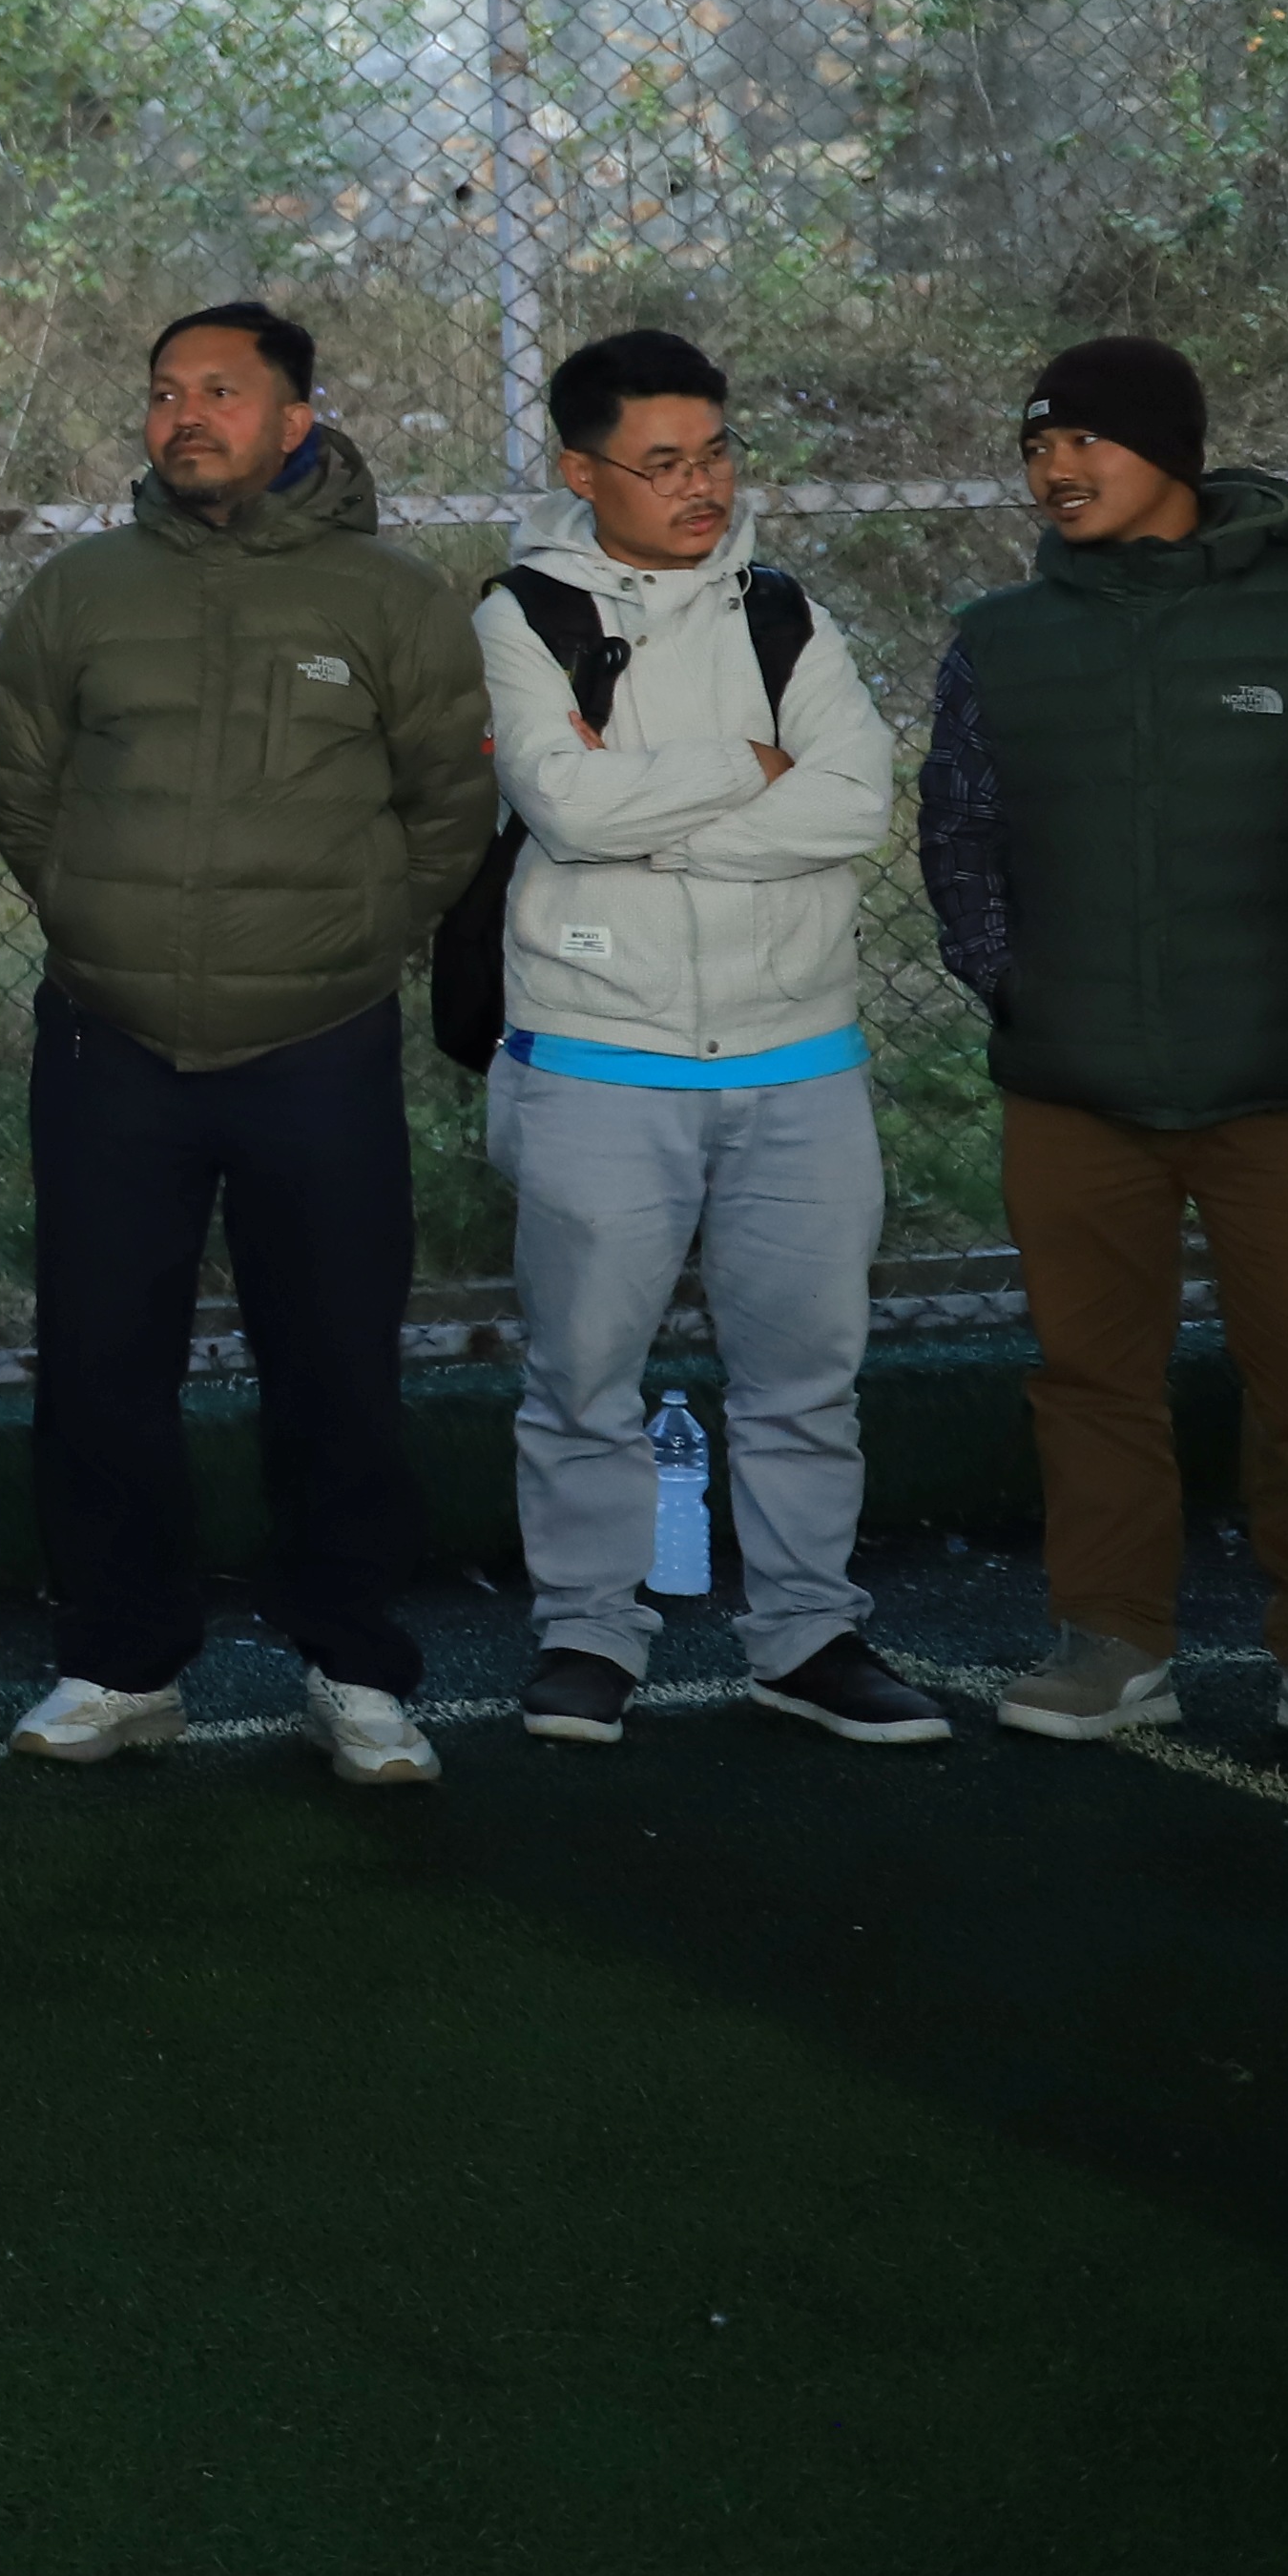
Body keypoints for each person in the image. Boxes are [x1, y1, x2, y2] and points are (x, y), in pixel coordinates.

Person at [0, 301, 498, 1787]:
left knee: (334, 1363)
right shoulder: (76, 593)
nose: (185, 415)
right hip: (110, 1040)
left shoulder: (392, 600)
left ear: (296, 419)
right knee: (99, 1364)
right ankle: (119, 1663)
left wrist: (351, 935)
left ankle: (354, 1667)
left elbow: (447, 810)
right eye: (162, 393)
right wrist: (93, 918)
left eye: (220, 390)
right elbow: (21, 790)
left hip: (318, 1042)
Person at [916, 336, 1288, 1774]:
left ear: (1170, 455)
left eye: (1085, 443)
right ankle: (1114, 1641)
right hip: (1072, 1085)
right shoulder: (1002, 634)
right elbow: (957, 829)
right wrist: (1014, 982)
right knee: (1089, 1377)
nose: (1054, 471)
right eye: (1035, 448)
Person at [476, 329, 949, 1753]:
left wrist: (654, 819)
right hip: (593, 1061)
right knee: (582, 1377)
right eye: (662, 463)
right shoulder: (525, 614)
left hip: (802, 1063)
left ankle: (807, 1632)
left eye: (717, 454)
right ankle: (587, 1633)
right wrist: (744, 775)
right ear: (582, 471)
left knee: (807, 1374)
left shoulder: (786, 614)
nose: (701, 486)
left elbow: (854, 806)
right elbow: (563, 810)